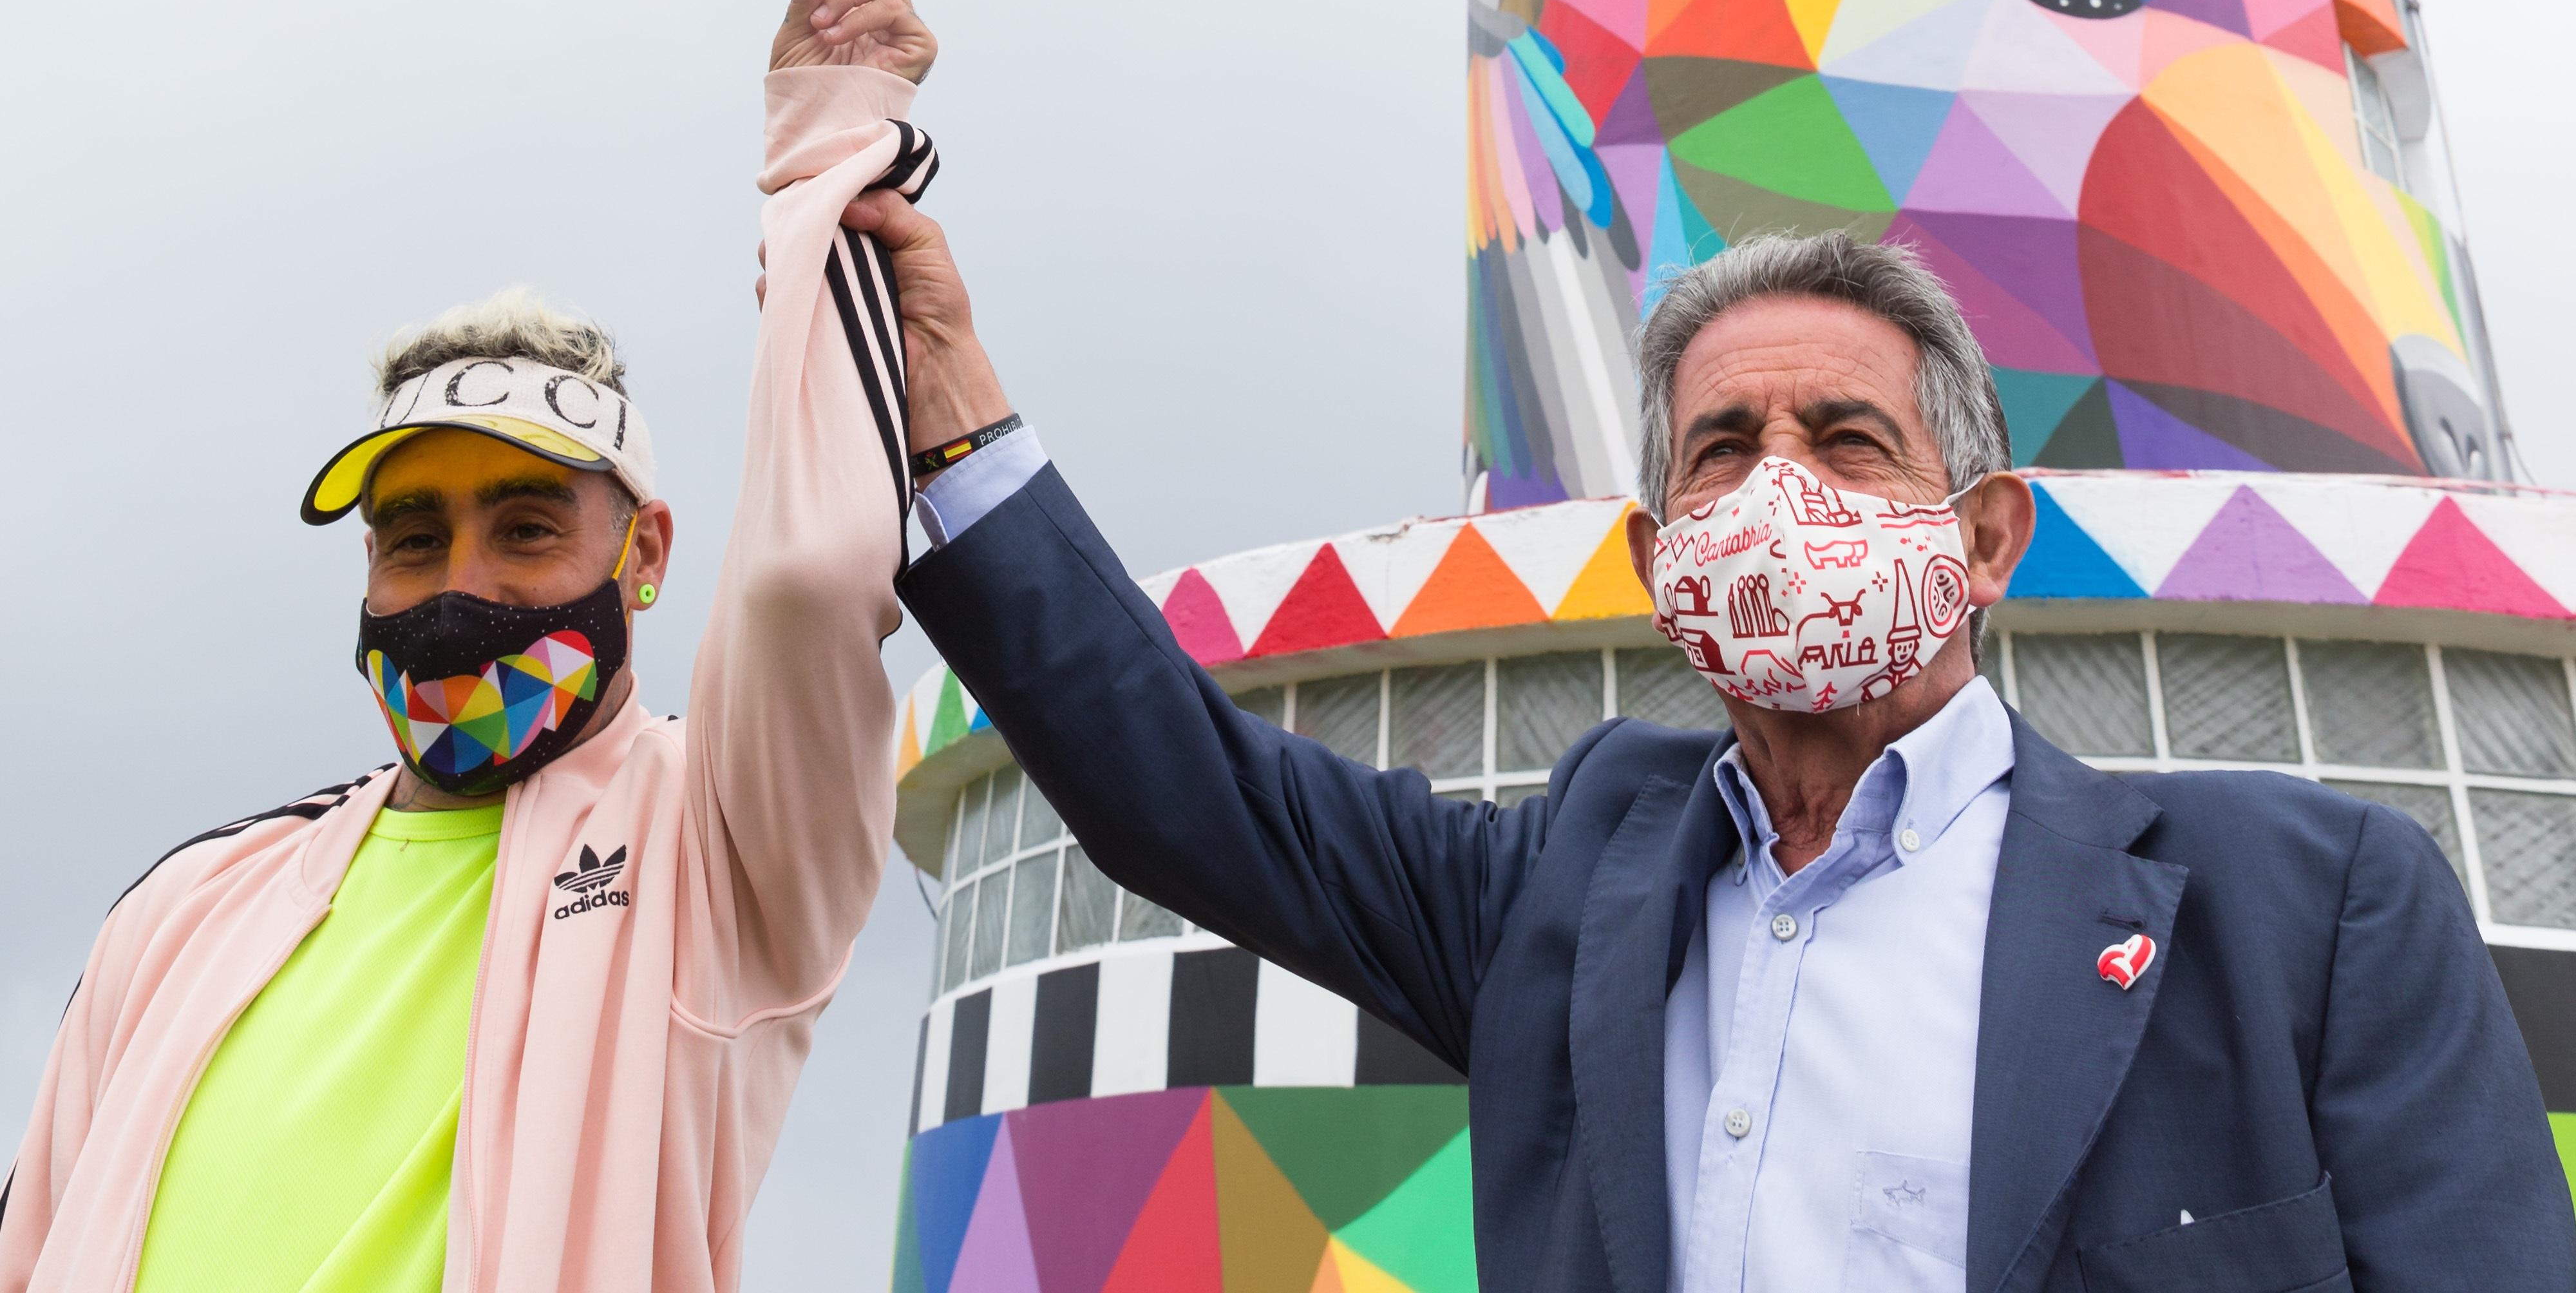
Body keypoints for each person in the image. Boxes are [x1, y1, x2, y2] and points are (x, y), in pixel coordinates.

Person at [860, 215, 2576, 1290]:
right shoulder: (1565, 892)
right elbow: (1185, 792)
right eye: (1725, 450)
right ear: (1658, 563)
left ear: (1984, 539)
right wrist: (940, 382)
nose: (1782, 491)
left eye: (1846, 437)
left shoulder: (2305, 910)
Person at [0, 0, 952, 1293]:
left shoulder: (724, 849)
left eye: (523, 527)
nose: (459, 586)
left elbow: (814, 574)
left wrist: (823, 142)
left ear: (645, 554)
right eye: (411, 537)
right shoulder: (189, 905)